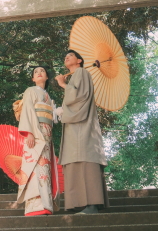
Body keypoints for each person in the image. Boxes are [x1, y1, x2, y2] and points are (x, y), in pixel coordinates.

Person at [55, 50, 108, 214]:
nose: (67, 56)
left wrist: (63, 85)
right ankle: (79, 204)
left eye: (70, 55)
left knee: (85, 159)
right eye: (66, 55)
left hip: (82, 126)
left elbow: (80, 96)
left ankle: (91, 204)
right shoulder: (75, 76)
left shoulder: (82, 72)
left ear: (79, 60)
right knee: (75, 161)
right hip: (74, 126)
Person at [16, 66, 60, 216]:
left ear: (47, 76)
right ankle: (35, 206)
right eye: (35, 72)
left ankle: (46, 204)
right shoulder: (31, 91)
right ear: (33, 79)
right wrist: (28, 133)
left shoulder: (48, 96)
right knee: (34, 166)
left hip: (47, 134)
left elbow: (52, 116)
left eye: (42, 71)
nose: (39, 73)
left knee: (45, 168)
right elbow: (27, 110)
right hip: (35, 133)